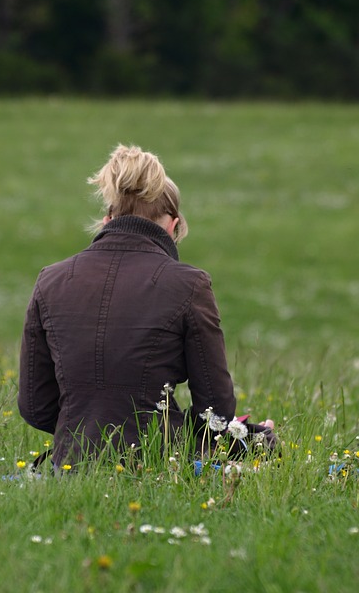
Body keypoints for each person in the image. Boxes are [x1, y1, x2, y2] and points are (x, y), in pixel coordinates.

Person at [18, 144, 275, 468]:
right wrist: (252, 438)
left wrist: (88, 427)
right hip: (157, 465)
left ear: (107, 218)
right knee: (266, 446)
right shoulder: (189, 285)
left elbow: (35, 407)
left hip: (70, 464)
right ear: (172, 225)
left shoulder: (50, 280)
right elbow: (217, 414)